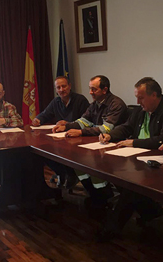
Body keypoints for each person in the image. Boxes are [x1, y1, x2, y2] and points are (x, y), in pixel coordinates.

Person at [98, 77, 163, 241]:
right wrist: (109, 135)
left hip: (159, 162)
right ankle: (151, 211)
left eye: (141, 97)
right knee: (116, 175)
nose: (137, 101)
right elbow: (127, 127)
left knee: (131, 186)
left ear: (154, 95)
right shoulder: (140, 110)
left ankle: (112, 228)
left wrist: (134, 142)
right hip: (136, 158)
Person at [53, 75, 128, 211]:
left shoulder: (116, 104)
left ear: (104, 90)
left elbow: (106, 129)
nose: (90, 93)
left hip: (114, 146)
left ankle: (105, 196)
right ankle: (97, 196)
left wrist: (81, 132)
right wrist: (68, 126)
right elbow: (84, 121)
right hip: (97, 144)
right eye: (90, 89)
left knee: (91, 165)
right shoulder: (95, 104)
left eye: (94, 89)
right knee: (78, 164)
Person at [32, 76, 89, 188]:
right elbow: (45, 114)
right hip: (62, 139)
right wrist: (38, 119)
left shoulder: (80, 100)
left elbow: (87, 120)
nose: (61, 90)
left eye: (64, 86)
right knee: (44, 152)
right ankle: (63, 173)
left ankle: (71, 174)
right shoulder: (56, 101)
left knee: (63, 153)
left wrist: (68, 123)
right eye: (58, 87)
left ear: (70, 86)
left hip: (78, 138)